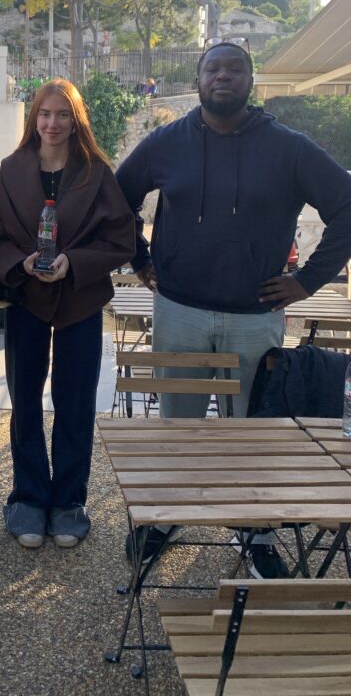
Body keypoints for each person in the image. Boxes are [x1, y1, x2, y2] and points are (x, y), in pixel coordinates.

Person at [115, 40, 351, 576]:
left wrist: (308, 280)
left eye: (234, 68)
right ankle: (168, 516)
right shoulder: (166, 142)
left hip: (256, 315)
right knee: (179, 425)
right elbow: (117, 198)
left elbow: (346, 205)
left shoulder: (289, 148)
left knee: (253, 430)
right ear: (198, 79)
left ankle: (254, 528)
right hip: (179, 309)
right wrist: (139, 257)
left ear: (251, 79)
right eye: (212, 68)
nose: (223, 76)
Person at [0, 79, 135, 549]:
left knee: (76, 402)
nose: (52, 123)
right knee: (24, 400)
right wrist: (22, 263)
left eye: (62, 114)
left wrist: (75, 261)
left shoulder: (97, 173)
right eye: (45, 114)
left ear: (75, 120)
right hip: (27, 298)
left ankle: (69, 502)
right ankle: (28, 498)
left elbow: (120, 239)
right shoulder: (10, 170)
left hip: (79, 299)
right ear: (34, 119)